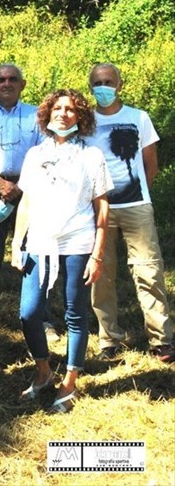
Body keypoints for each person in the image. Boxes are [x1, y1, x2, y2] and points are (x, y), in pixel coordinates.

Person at [11, 89, 111, 413]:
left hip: (78, 244)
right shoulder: (35, 155)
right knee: (29, 312)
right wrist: (17, 242)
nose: (63, 114)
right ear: (47, 115)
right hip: (40, 243)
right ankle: (43, 372)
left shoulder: (92, 156)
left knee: (75, 315)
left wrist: (97, 253)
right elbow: (26, 202)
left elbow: (102, 207)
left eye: (70, 110)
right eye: (58, 108)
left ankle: (69, 383)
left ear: (80, 117)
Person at [87, 63, 173, 363]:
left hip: (137, 207)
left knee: (149, 271)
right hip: (99, 211)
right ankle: (109, 338)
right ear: (90, 87)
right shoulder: (85, 122)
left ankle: (161, 338)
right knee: (101, 275)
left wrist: (139, 193)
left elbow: (151, 164)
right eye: (97, 82)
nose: (103, 87)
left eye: (109, 81)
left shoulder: (138, 117)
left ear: (120, 84)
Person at [0, 64, 51, 336]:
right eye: (0, 80)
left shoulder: (38, 116)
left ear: (23, 84)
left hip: (30, 190)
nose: (6, 83)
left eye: (12, 79)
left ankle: (40, 316)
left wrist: (20, 186)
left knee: (36, 252)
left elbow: (46, 154)